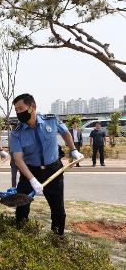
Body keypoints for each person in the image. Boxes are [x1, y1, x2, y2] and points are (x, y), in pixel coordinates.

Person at [10, 93, 84, 235]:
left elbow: (66, 133)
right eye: (16, 110)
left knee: (58, 210)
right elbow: (18, 160)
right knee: (22, 208)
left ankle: (57, 240)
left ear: (32, 107)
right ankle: (20, 238)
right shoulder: (17, 132)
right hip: (29, 171)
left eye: (21, 108)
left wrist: (73, 150)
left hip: (53, 170)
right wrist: (32, 180)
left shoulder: (51, 120)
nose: (18, 113)